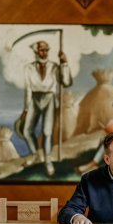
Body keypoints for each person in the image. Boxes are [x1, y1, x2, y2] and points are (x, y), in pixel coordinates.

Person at [22, 40, 72, 177]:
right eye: (41, 50)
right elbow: (27, 89)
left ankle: (48, 161)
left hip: (49, 98)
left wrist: (64, 63)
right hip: (34, 99)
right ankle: (35, 155)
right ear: (36, 52)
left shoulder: (54, 66)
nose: (44, 53)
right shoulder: (28, 68)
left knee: (47, 132)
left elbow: (66, 82)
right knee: (26, 131)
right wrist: (26, 109)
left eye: (46, 50)